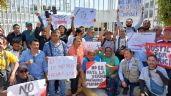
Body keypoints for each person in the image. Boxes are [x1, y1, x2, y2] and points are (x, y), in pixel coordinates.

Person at [43, 29, 67, 96]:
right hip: (51, 68)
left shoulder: (63, 44)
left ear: (59, 35)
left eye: (56, 35)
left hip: (61, 68)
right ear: (51, 36)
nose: (55, 37)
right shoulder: (46, 44)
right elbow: (43, 56)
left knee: (62, 83)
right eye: (53, 35)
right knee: (51, 84)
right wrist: (46, 57)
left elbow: (66, 55)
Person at [157, 27, 171, 96]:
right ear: (163, 33)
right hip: (160, 66)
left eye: (169, 32)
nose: (167, 33)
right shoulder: (158, 43)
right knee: (160, 82)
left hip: (169, 68)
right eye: (166, 32)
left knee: (169, 83)